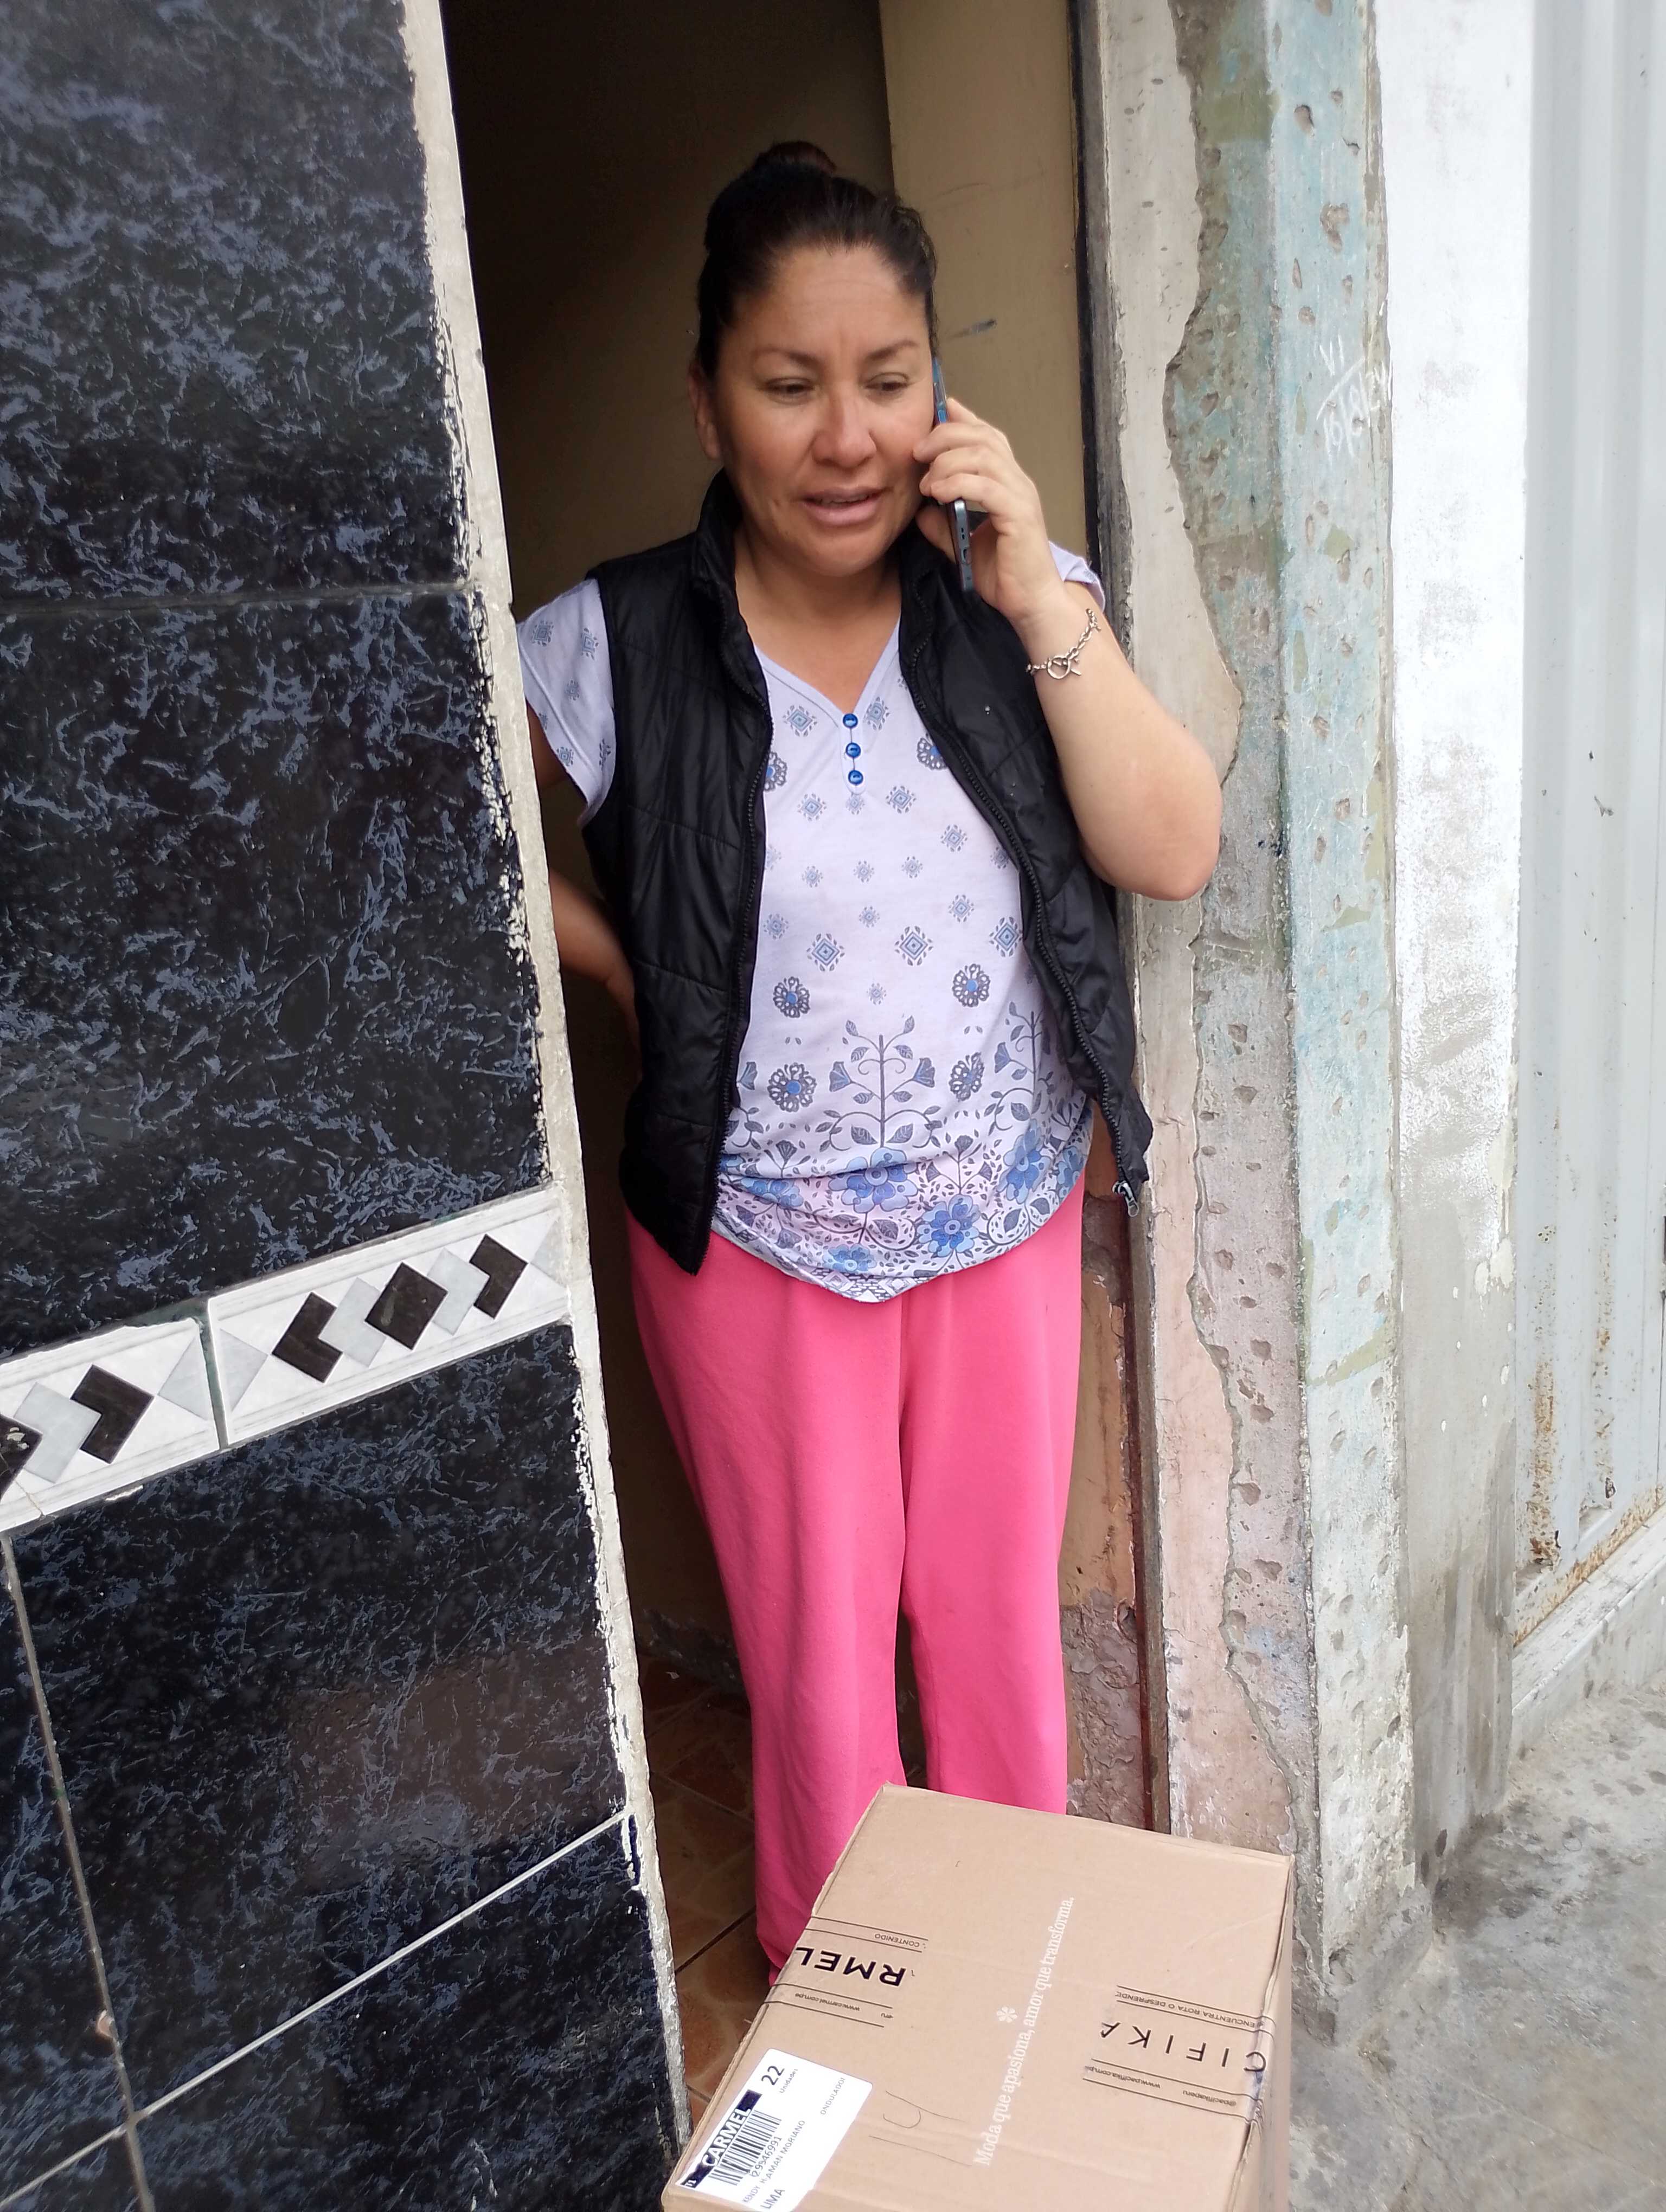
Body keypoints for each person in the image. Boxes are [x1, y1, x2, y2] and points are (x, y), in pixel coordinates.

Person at [517, 145, 1220, 1969]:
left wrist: (1038, 593)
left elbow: (1173, 846)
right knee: (820, 1661)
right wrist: (622, 966)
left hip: (1002, 1213)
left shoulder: (1016, 602)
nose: (846, 438)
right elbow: (432, 819)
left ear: (940, 395)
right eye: (788, 383)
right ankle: (856, 1997)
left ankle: (1011, 1983)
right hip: (753, 1239)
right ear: (708, 401)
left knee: (995, 1635)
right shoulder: (611, 641)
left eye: (888, 380)